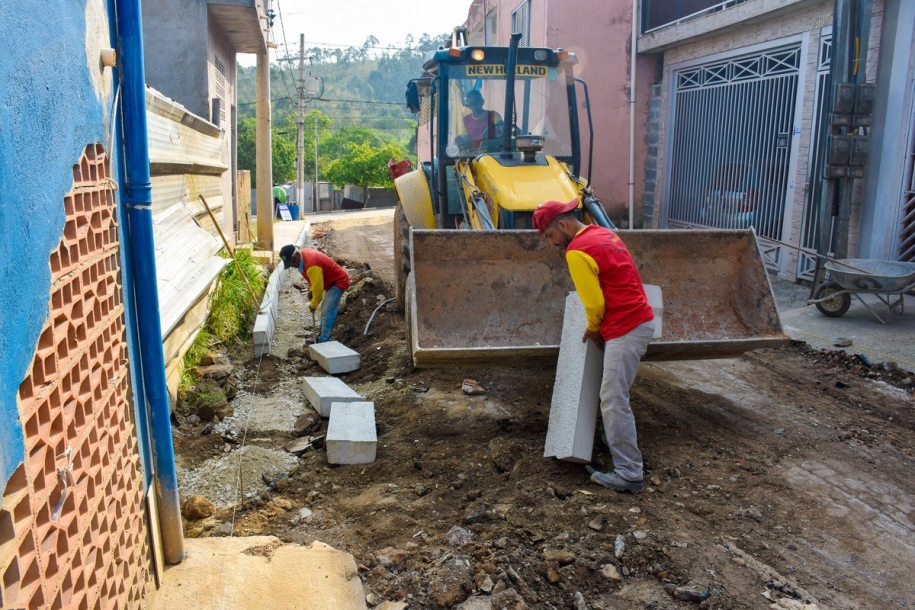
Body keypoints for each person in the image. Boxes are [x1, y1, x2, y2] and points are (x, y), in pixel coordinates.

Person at [533, 200, 655, 493]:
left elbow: (595, 303)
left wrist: (592, 327)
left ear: (562, 225)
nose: (550, 243)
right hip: (638, 320)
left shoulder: (576, 252)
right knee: (611, 393)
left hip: (625, 327)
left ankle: (629, 473)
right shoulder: (602, 233)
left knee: (613, 397)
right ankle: (611, 440)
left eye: (549, 235)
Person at [279, 245, 351, 344]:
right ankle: (321, 337)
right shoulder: (302, 256)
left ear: (295, 255)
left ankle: (324, 341)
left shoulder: (311, 265)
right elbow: (315, 281)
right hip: (330, 282)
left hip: (338, 282)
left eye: (292, 262)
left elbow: (318, 289)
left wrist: (313, 305)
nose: (292, 265)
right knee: (325, 310)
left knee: (327, 311)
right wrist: (311, 291)